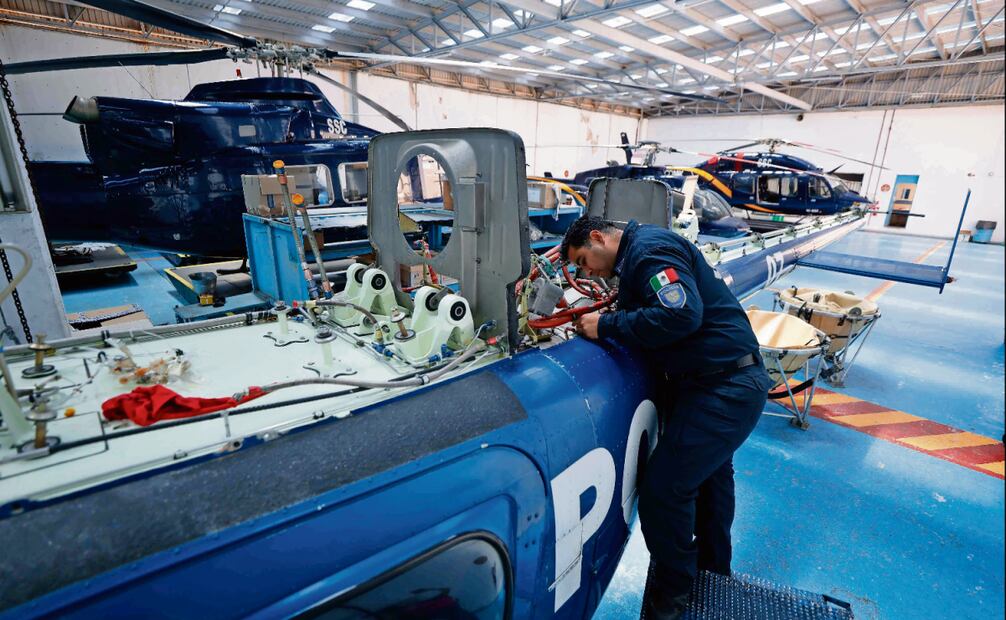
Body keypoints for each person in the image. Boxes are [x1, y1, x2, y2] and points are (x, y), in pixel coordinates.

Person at [560, 215, 772, 620]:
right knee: (710, 484)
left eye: (584, 261)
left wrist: (606, 325)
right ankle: (713, 577)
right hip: (720, 381)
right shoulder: (641, 253)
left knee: (663, 492)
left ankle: (672, 598)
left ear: (598, 237)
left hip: (724, 388)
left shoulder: (648, 253)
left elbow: (681, 315)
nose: (588, 272)